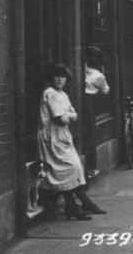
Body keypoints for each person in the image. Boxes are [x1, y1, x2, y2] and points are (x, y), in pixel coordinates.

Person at [38, 63, 106, 220]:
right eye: (57, 76)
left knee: (74, 169)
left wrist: (70, 115)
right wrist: (70, 115)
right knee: (69, 169)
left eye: (63, 76)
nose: (60, 79)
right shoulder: (51, 94)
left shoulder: (62, 94)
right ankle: (78, 205)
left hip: (62, 136)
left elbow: (74, 115)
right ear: (51, 78)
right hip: (52, 138)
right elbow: (61, 118)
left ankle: (78, 205)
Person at [82, 46, 110, 178]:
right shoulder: (98, 76)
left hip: (80, 102)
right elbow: (105, 90)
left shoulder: (81, 70)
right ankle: (91, 167)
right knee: (90, 133)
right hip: (90, 104)